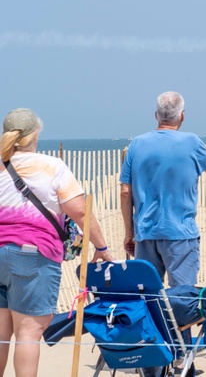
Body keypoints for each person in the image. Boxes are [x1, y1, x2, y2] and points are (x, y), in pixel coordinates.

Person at [1, 108, 114, 377]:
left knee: (1, 334)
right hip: (32, 255)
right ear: (35, 134)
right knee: (28, 332)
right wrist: (101, 248)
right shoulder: (52, 166)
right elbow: (80, 212)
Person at [121, 92, 206, 287]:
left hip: (145, 233)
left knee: (147, 297)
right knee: (183, 296)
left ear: (156, 115)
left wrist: (129, 233)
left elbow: (125, 192)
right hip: (180, 233)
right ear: (182, 115)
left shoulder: (137, 144)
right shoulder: (191, 142)